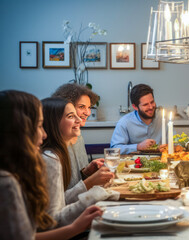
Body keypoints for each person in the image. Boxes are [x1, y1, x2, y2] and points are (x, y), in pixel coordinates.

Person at [0, 90, 102, 240]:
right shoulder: (8, 181)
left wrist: (87, 176)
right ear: (20, 130)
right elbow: (51, 220)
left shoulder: (26, 165)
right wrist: (95, 193)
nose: (44, 134)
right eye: (39, 125)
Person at [41, 97, 117, 227]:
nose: (79, 120)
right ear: (53, 122)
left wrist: (87, 175)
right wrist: (94, 189)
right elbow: (54, 220)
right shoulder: (50, 158)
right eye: (71, 116)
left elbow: (61, 200)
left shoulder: (58, 153)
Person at [52, 83, 113, 190]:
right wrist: (91, 180)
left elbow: (77, 182)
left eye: (89, 107)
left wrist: (87, 171)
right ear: (64, 108)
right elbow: (61, 199)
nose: (88, 112)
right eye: (81, 107)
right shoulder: (53, 148)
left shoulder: (78, 136)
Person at [111, 84, 165, 154]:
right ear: (135, 107)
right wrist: (138, 146)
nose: (151, 107)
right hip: (134, 163)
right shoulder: (124, 122)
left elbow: (175, 142)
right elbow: (114, 150)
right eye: (145, 104)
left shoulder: (162, 118)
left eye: (152, 102)